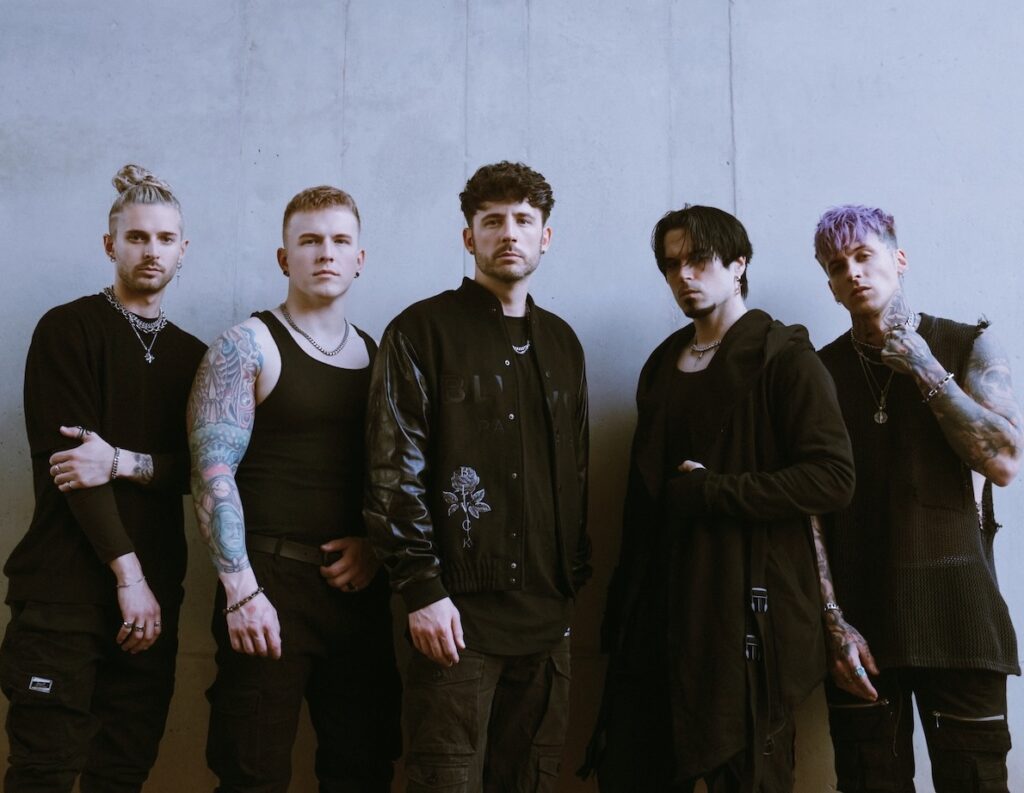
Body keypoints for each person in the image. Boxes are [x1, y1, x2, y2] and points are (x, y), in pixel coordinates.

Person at [589, 205, 855, 792]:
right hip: (660, 609)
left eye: (699, 260)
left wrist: (716, 491)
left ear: (738, 265)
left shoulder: (784, 357)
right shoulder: (663, 363)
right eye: (671, 265)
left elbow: (832, 478)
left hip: (744, 613)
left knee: (747, 773)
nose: (684, 275)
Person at [364, 161, 590, 791]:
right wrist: (421, 589)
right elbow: (392, 473)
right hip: (455, 620)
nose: (509, 233)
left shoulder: (563, 343)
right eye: (492, 222)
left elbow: (574, 471)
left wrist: (571, 579)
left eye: (524, 220)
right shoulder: (420, 331)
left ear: (546, 236)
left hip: (547, 622)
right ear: (469, 237)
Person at [187, 185, 401, 793]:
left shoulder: (378, 354)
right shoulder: (246, 345)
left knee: (363, 771)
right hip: (268, 586)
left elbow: (393, 476)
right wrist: (240, 591)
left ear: (360, 258)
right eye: (309, 241)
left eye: (339, 241)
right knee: (252, 773)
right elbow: (211, 473)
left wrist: (375, 547)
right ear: (285, 258)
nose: (325, 252)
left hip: (357, 592)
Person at [0, 165, 205, 792]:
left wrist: (121, 461)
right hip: (64, 592)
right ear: (109, 244)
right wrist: (128, 577)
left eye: (164, 239)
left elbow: (200, 470)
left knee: (121, 773)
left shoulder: (194, 356)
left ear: (183, 249)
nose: (151, 251)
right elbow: (73, 468)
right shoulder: (68, 329)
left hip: (153, 601)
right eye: (137, 237)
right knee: (44, 771)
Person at [811, 205, 1021, 792]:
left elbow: (1004, 461)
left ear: (898, 259)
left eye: (864, 256)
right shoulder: (818, 372)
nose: (853, 272)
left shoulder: (966, 343)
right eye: (837, 266)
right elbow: (809, 511)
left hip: (960, 616)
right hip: (862, 626)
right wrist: (831, 622)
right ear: (829, 286)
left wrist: (925, 367)